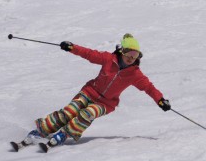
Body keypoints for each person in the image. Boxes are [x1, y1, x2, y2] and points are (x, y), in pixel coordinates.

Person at [15, 34, 171, 152]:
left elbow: (148, 88)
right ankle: (41, 130)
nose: (131, 58)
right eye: (129, 54)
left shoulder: (135, 73)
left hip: (106, 103)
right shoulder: (108, 59)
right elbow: (89, 54)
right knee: (70, 111)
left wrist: (160, 100)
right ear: (121, 51)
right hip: (90, 92)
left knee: (88, 113)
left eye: (136, 55)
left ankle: (65, 134)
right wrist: (72, 47)